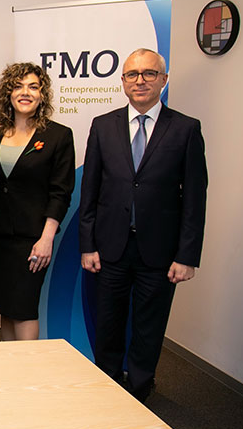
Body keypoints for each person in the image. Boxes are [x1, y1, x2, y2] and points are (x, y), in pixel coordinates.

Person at [79, 48, 207, 402]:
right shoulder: (103, 126)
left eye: (149, 73)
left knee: (149, 326)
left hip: (160, 252)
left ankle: (139, 389)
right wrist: (88, 245)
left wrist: (187, 256)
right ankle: (107, 387)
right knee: (108, 322)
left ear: (163, 80)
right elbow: (90, 190)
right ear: (122, 81)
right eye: (132, 74)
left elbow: (195, 198)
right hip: (110, 247)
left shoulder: (185, 129)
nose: (140, 81)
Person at [0, 63, 75, 341]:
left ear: (42, 95)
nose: (25, 92)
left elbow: (60, 192)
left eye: (33, 87)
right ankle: (11, 364)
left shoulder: (58, 135)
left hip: (32, 239)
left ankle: (29, 366)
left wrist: (46, 239)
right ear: (7, 93)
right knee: (5, 306)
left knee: (23, 308)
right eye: (18, 86)